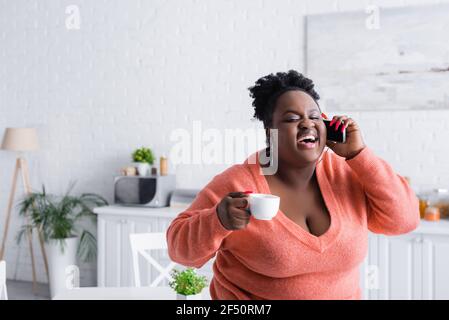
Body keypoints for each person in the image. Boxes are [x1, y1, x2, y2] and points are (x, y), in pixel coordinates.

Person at [167, 70, 420, 299]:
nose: (307, 123)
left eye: (314, 116)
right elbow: (180, 250)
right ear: (270, 132)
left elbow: (404, 221)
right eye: (291, 118)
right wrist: (217, 220)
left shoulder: (346, 173)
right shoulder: (238, 182)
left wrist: (359, 154)